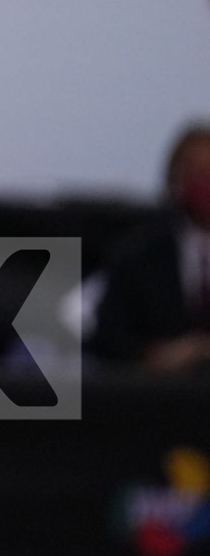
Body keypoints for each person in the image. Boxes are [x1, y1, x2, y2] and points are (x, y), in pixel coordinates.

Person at [89, 124, 210, 373]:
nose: (204, 181)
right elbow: (108, 342)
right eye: (195, 171)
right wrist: (158, 355)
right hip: (158, 399)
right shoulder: (135, 256)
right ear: (175, 177)